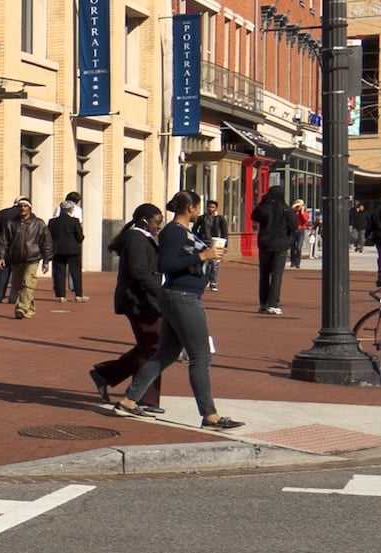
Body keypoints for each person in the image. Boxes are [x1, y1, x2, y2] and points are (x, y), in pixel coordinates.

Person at [119, 192, 242, 431]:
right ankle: (210, 415)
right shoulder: (174, 232)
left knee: (165, 353)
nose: (199, 210)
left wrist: (208, 256)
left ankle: (129, 399)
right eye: (197, 206)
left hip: (184, 296)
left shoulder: (186, 232)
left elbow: (185, 259)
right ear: (190, 207)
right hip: (182, 297)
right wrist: (202, 255)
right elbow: (165, 264)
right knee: (201, 356)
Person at [90, 201, 167, 409]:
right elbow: (139, 272)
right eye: (156, 221)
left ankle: (106, 374)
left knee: (150, 346)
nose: (159, 225)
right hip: (138, 302)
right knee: (155, 346)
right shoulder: (136, 238)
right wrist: (160, 292)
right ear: (144, 221)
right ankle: (143, 397)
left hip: (145, 300)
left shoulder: (144, 237)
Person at [252, 181, 295, 315]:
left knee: (264, 274)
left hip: (265, 243)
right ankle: (273, 303)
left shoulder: (264, 207)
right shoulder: (286, 209)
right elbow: (294, 226)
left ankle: (263, 303)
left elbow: (254, 216)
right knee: (277, 275)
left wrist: (263, 201)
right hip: (281, 245)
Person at [3, 198, 47, 318]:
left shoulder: (39, 223)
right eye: (20, 206)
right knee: (18, 286)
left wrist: (46, 261)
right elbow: (4, 241)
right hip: (16, 258)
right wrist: (1, 256)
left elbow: (46, 242)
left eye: (25, 206)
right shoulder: (11, 223)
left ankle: (21, 308)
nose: (22, 208)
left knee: (28, 282)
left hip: (32, 258)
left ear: (30, 208)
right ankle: (29, 309)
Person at [47, 195, 86, 303]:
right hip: (73, 250)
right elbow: (80, 236)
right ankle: (78, 295)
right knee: (75, 272)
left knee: (59, 272)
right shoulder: (75, 221)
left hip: (58, 250)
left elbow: (48, 236)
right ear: (71, 210)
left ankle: (61, 296)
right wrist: (78, 241)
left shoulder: (52, 222)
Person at [0, 201, 22, 303]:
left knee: (3, 271)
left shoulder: (3, 213)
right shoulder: (25, 213)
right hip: (19, 247)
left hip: (5, 246)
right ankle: (14, 297)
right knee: (18, 274)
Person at [198, 198, 229, 293]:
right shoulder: (202, 218)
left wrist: (225, 244)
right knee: (205, 262)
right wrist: (197, 238)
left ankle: (213, 282)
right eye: (209, 206)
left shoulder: (220, 218)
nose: (210, 208)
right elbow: (195, 228)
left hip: (217, 241)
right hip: (205, 241)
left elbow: (224, 231)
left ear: (216, 208)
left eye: (213, 207)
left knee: (215, 263)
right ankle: (205, 279)